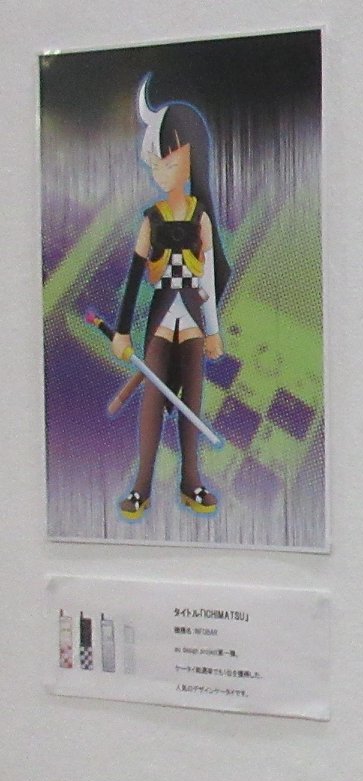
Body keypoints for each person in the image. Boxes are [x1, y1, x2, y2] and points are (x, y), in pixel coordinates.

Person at [109, 75, 229, 517]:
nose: (160, 170)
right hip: (161, 320)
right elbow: (134, 276)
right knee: (152, 402)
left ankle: (190, 480)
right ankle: (142, 483)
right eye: (155, 162)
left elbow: (208, 276)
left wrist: (213, 331)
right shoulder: (152, 219)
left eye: (168, 158)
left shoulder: (201, 219)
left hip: (194, 320)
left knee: (191, 402)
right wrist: (122, 331)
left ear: (191, 155)